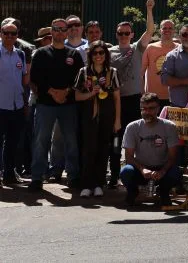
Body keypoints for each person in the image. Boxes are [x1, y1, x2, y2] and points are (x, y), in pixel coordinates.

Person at [29, 18, 84, 191]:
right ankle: (37, 177)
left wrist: (66, 92)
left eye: (63, 29)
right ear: (51, 31)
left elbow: (79, 80)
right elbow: (35, 79)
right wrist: (53, 92)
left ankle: (73, 176)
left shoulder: (74, 55)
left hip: (68, 105)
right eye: (56, 29)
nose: (60, 32)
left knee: (71, 141)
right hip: (45, 104)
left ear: (67, 32)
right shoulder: (41, 53)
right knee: (41, 141)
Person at [108, 0, 154, 189]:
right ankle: (114, 175)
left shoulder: (137, 48)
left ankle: (135, 174)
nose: (124, 36)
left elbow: (150, 31)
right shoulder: (108, 51)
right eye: (121, 33)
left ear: (132, 34)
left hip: (135, 100)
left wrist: (149, 9)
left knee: (136, 139)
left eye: (127, 33)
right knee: (116, 140)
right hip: (115, 101)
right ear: (117, 34)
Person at [73, 42, 121, 197]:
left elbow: (116, 98)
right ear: (91, 56)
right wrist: (91, 94)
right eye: (95, 53)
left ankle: (99, 183)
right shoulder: (84, 71)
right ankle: (87, 185)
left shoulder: (112, 72)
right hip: (88, 116)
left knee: (103, 149)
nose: (98, 56)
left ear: (106, 54)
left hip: (107, 116)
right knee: (88, 150)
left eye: (101, 52)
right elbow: (77, 96)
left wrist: (117, 120)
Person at [120, 93, 181, 207]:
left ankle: (164, 192)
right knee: (126, 172)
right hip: (140, 169)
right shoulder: (132, 127)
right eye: (144, 109)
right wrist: (143, 169)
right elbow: (128, 157)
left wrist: (162, 171)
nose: (147, 112)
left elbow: (173, 157)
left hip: (162, 168)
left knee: (175, 172)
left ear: (158, 108)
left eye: (151, 109)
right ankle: (133, 192)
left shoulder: (169, 127)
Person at [0, 19, 29, 186]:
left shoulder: (21, 54)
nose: (10, 36)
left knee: (12, 142)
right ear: (1, 34)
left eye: (13, 34)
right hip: (0, 105)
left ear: (17, 36)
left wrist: (24, 104)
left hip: (16, 106)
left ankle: (9, 174)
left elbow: (23, 81)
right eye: (6, 33)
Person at [142, 19, 177, 108]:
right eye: (164, 28)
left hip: (174, 97)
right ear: (160, 30)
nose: (167, 30)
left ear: (174, 31)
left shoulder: (179, 48)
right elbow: (141, 72)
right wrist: (142, 93)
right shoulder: (150, 48)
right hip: (152, 97)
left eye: (170, 28)